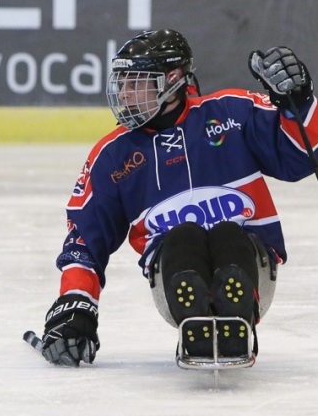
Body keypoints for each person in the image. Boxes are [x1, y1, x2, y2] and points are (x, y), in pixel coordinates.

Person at [40, 29, 318, 366]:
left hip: (252, 266)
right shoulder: (113, 156)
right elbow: (85, 242)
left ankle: (239, 307)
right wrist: (76, 306)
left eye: (135, 83)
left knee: (229, 235)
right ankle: (195, 316)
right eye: (122, 83)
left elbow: (302, 154)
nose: (125, 94)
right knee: (183, 237)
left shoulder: (232, 112)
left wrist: (299, 101)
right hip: (172, 273)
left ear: (172, 79)